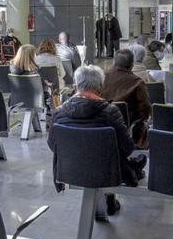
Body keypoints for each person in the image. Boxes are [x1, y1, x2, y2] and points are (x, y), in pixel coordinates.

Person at [48, 65, 147, 216]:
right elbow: (127, 148)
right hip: (107, 172)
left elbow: (53, 145)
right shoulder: (110, 112)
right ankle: (111, 196)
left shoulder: (59, 113)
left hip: (71, 170)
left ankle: (107, 200)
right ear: (100, 87)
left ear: (75, 86)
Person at [99, 49, 151, 148]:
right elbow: (145, 110)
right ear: (132, 65)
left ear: (114, 62)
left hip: (101, 124)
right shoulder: (137, 82)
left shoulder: (101, 78)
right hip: (127, 127)